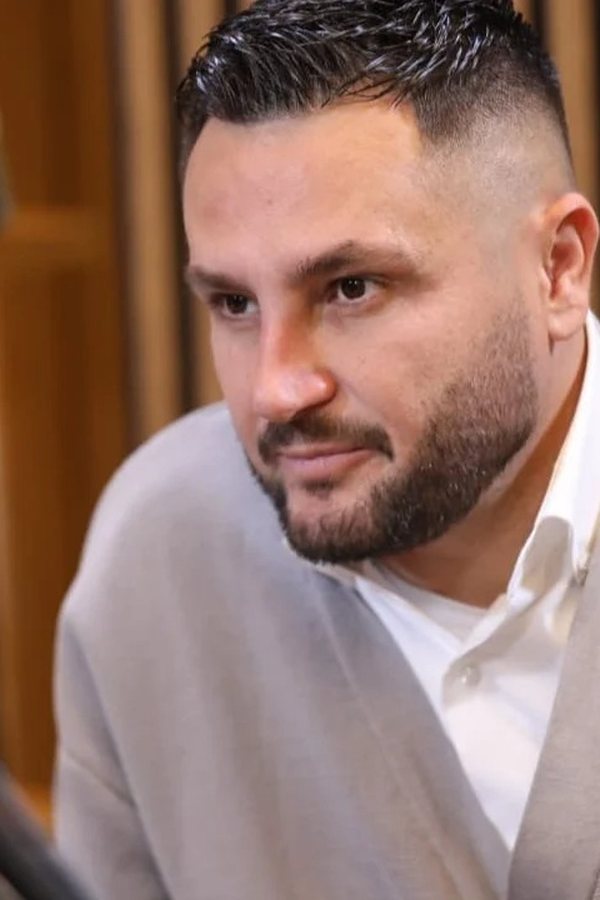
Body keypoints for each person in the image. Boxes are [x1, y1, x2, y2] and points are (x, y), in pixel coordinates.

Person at [54, 1, 600, 898]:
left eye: (352, 288)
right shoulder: (159, 555)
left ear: (558, 269)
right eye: (234, 304)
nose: (276, 389)